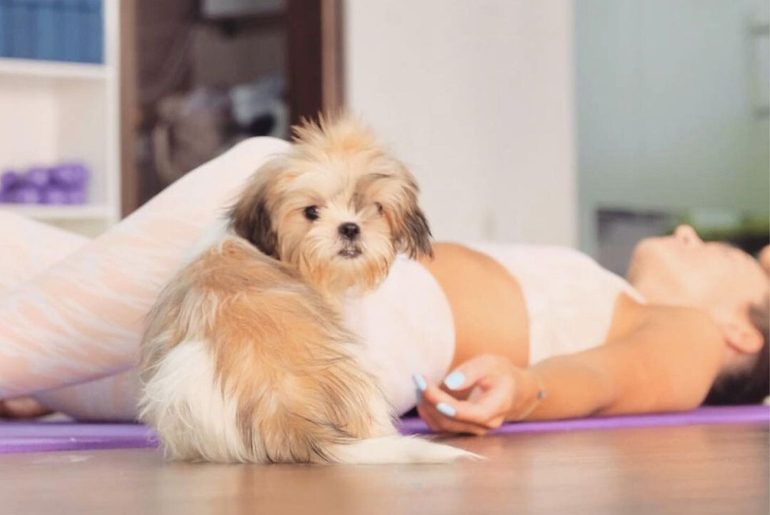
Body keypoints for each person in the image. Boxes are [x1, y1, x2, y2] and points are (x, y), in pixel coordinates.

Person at [0, 137, 767, 434]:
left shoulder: (691, 336)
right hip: (287, 312)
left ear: (742, 333)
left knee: (268, 166)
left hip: (368, 322)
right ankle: (44, 371)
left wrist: (525, 385)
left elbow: (607, 379)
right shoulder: (602, 284)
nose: (692, 235)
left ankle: (19, 351)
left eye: (726, 257)